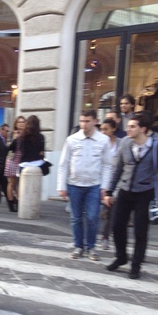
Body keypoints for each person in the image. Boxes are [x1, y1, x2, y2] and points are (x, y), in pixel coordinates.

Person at [104, 111, 158, 279]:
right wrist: (110, 191)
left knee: (141, 231)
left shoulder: (157, 144)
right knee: (117, 226)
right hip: (125, 191)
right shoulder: (125, 143)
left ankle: (136, 265)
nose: (128, 129)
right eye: (128, 126)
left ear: (143, 129)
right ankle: (121, 257)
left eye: (132, 126)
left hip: (145, 193)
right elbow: (117, 168)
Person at [57, 110, 112, 261]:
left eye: (87, 121)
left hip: (94, 184)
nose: (84, 124)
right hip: (74, 184)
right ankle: (78, 246)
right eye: (82, 121)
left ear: (95, 121)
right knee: (76, 218)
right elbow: (64, 164)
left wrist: (104, 186)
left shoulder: (103, 140)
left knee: (93, 217)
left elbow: (108, 165)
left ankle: (91, 247)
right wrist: (61, 185)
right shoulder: (72, 139)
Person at [98, 118, 121, 250]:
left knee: (110, 210)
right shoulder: (99, 143)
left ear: (113, 129)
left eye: (106, 129)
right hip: (100, 179)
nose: (103, 132)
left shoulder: (120, 143)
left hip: (114, 182)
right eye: (101, 129)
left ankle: (105, 237)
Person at [5, 116, 26, 211]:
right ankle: (10, 203)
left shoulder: (27, 134)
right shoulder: (12, 134)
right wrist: (14, 139)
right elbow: (9, 148)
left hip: (22, 160)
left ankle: (18, 202)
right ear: (16, 124)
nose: (21, 124)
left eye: (23, 122)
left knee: (20, 183)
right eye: (19, 122)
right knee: (11, 183)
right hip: (13, 160)